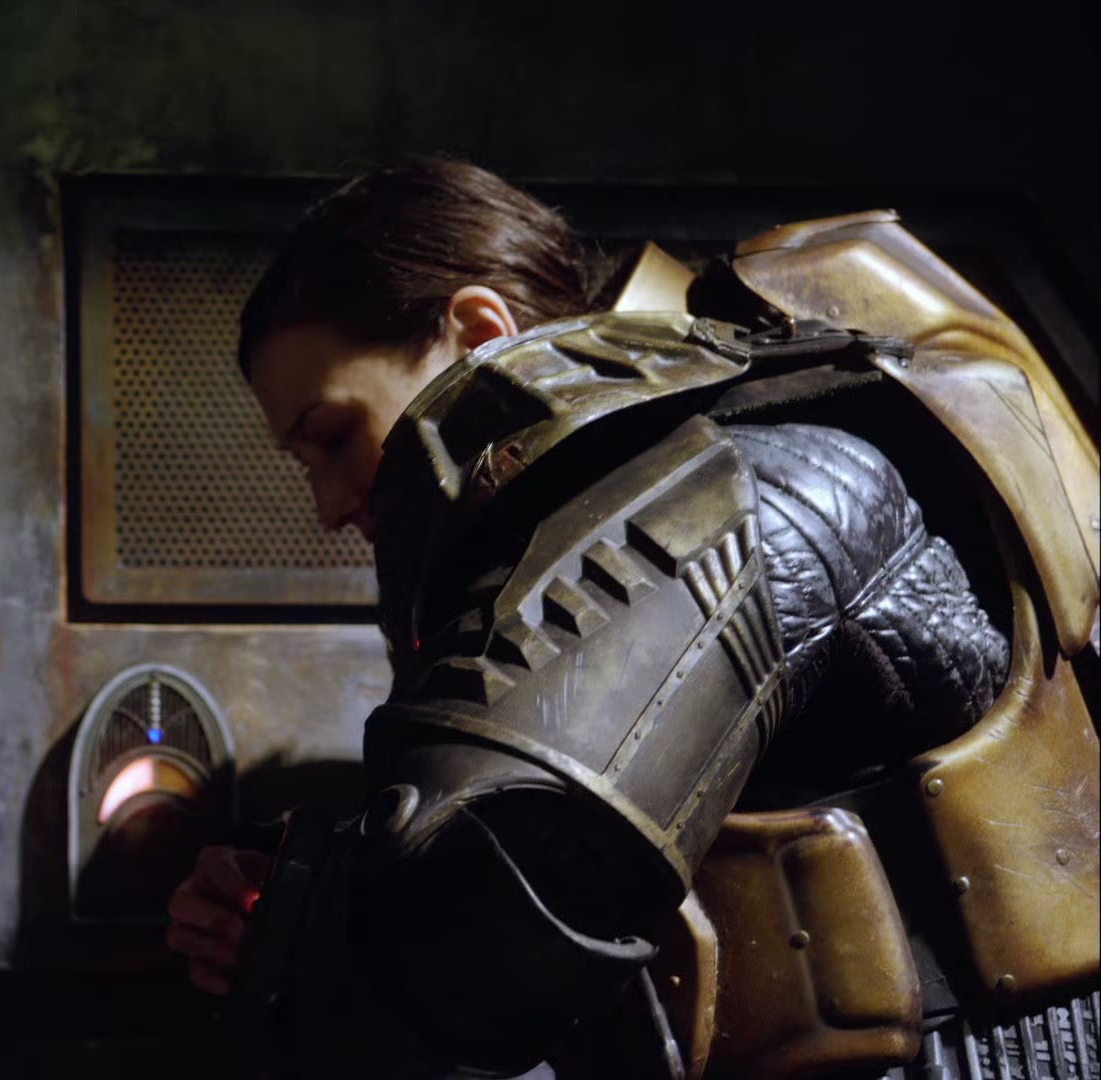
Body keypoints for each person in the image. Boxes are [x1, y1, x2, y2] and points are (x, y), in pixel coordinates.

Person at [166, 157, 1100, 1078]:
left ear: (477, 330)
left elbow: (478, 930)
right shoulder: (717, 476)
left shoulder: (729, 486)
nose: (330, 504)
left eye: (333, 436)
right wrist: (294, 878)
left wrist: (287, 921)